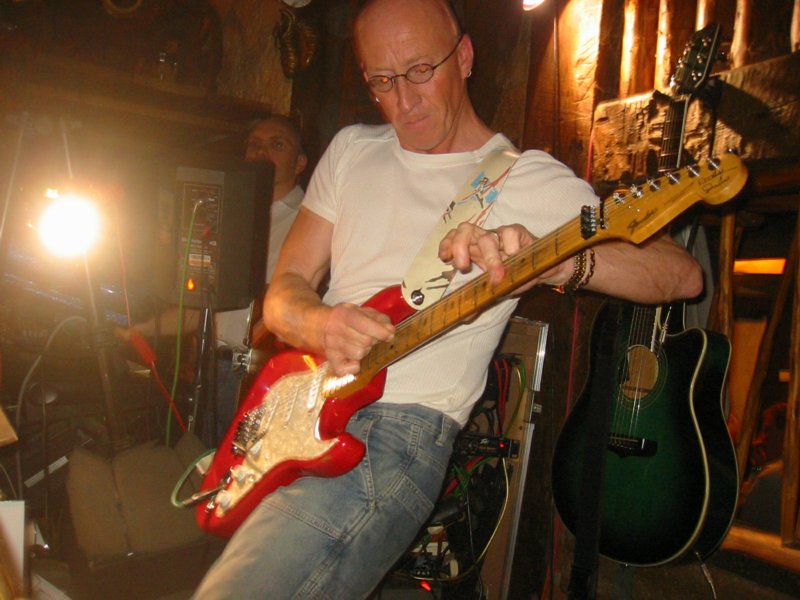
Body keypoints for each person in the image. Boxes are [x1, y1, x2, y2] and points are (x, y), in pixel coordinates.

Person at [192, 1, 703, 598]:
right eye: (382, 81)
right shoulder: (352, 150)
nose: (403, 101)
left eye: (419, 71)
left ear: (463, 57)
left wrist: (556, 262)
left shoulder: (525, 178)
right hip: (304, 411)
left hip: (395, 435)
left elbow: (679, 275)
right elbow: (282, 295)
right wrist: (321, 323)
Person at [120, 114, 308, 443]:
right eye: (254, 145)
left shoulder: (306, 219)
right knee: (199, 456)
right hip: (211, 363)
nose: (262, 152)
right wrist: (139, 329)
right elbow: (203, 301)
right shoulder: (231, 212)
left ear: (300, 162)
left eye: (277, 144)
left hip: (259, 372)